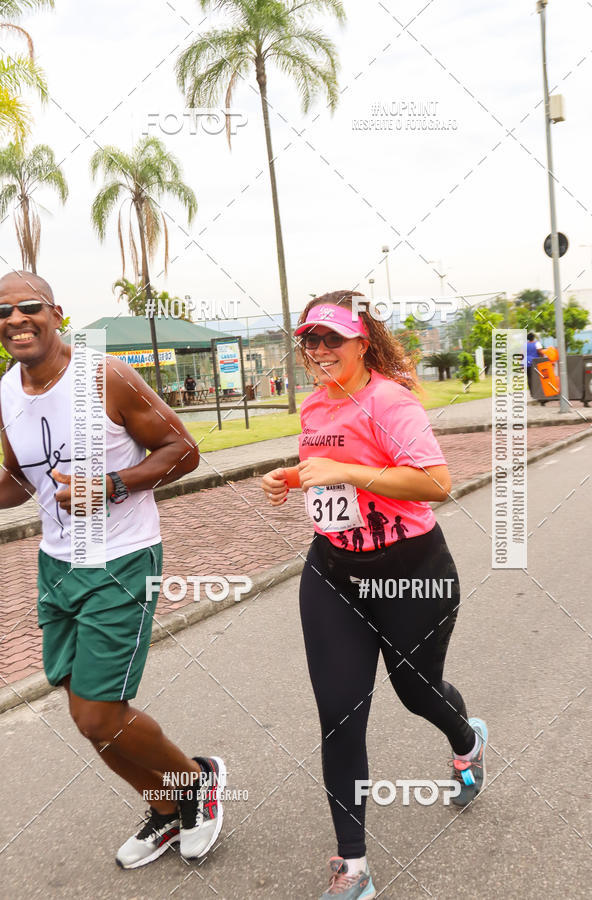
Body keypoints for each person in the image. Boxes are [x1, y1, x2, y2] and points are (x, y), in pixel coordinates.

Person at [262, 291, 487, 899]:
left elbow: (437, 482)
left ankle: (466, 740)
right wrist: (292, 477)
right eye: (310, 340)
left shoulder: (390, 400)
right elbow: (328, 471)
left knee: (416, 692)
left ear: (363, 341)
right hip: (333, 573)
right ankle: (353, 866)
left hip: (411, 571)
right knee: (339, 715)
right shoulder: (313, 406)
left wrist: (349, 474)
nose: (319, 350)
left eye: (332, 338)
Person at [0, 271, 226, 870]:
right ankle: (167, 809)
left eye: (29, 308)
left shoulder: (104, 375)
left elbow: (183, 449)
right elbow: (19, 481)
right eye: (3, 312)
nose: (16, 320)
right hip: (57, 565)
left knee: (100, 711)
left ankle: (197, 781)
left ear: (55, 313)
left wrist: (109, 486)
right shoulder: (6, 391)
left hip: (121, 559)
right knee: (88, 720)